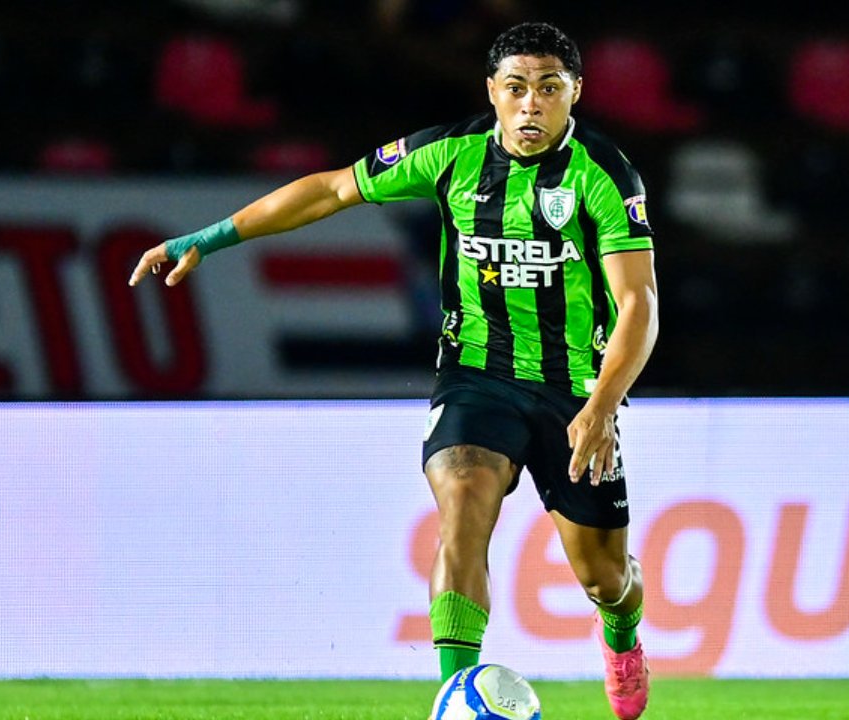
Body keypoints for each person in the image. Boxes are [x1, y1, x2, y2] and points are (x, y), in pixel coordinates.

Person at [128, 21, 658, 720]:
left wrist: (601, 406)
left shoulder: (602, 173)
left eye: (550, 89)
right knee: (463, 503)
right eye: (518, 88)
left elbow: (637, 303)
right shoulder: (450, 154)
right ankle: (453, 699)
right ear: (492, 93)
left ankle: (621, 635)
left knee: (602, 577)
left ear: (575, 94)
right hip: (477, 375)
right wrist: (207, 238)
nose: (533, 104)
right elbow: (330, 190)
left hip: (576, 393)